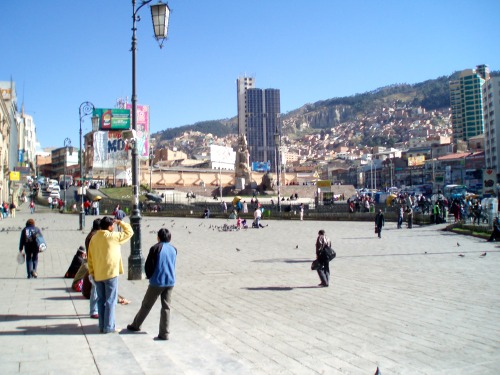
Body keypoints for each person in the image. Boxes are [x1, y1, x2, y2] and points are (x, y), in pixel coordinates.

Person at [127, 228, 177, 341]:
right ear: (169, 238)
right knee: (166, 307)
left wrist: (149, 276)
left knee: (146, 304)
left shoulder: (155, 248)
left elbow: (149, 265)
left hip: (157, 282)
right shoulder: (174, 249)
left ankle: (136, 325)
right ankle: (164, 333)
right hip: (170, 281)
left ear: (158, 237)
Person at [88, 216, 133, 333]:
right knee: (111, 301)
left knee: (101, 300)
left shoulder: (94, 238)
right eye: (112, 225)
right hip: (110, 273)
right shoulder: (113, 236)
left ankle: (102, 325)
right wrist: (121, 222)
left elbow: (90, 257)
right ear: (109, 227)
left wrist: (92, 272)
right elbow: (130, 232)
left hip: (98, 273)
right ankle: (109, 327)